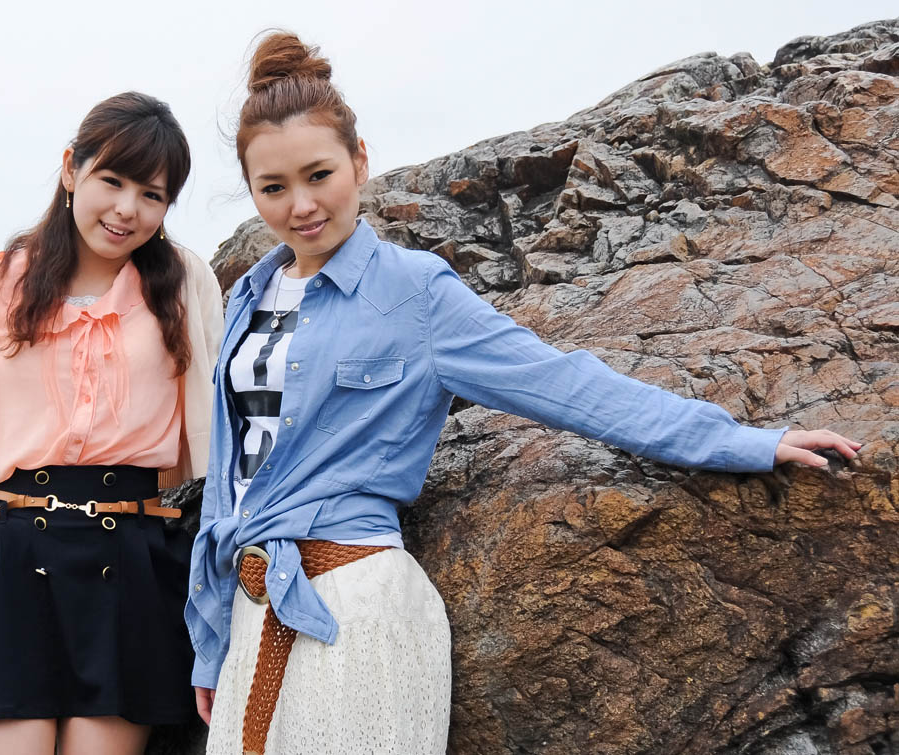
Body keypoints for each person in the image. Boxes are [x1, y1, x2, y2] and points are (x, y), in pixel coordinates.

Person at [184, 33, 862, 755]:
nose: (302, 205)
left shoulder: (416, 292)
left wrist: (742, 441)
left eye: (319, 174)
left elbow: (561, 383)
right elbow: (228, 487)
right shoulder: (249, 295)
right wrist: (211, 640)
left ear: (359, 161)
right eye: (274, 188)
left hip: (354, 601)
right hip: (254, 607)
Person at [0, 92, 223, 755]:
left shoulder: (184, 283)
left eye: (152, 194)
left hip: (129, 558)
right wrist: (15, 494)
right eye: (112, 180)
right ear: (70, 169)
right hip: (10, 557)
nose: (127, 209)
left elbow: (213, 422)